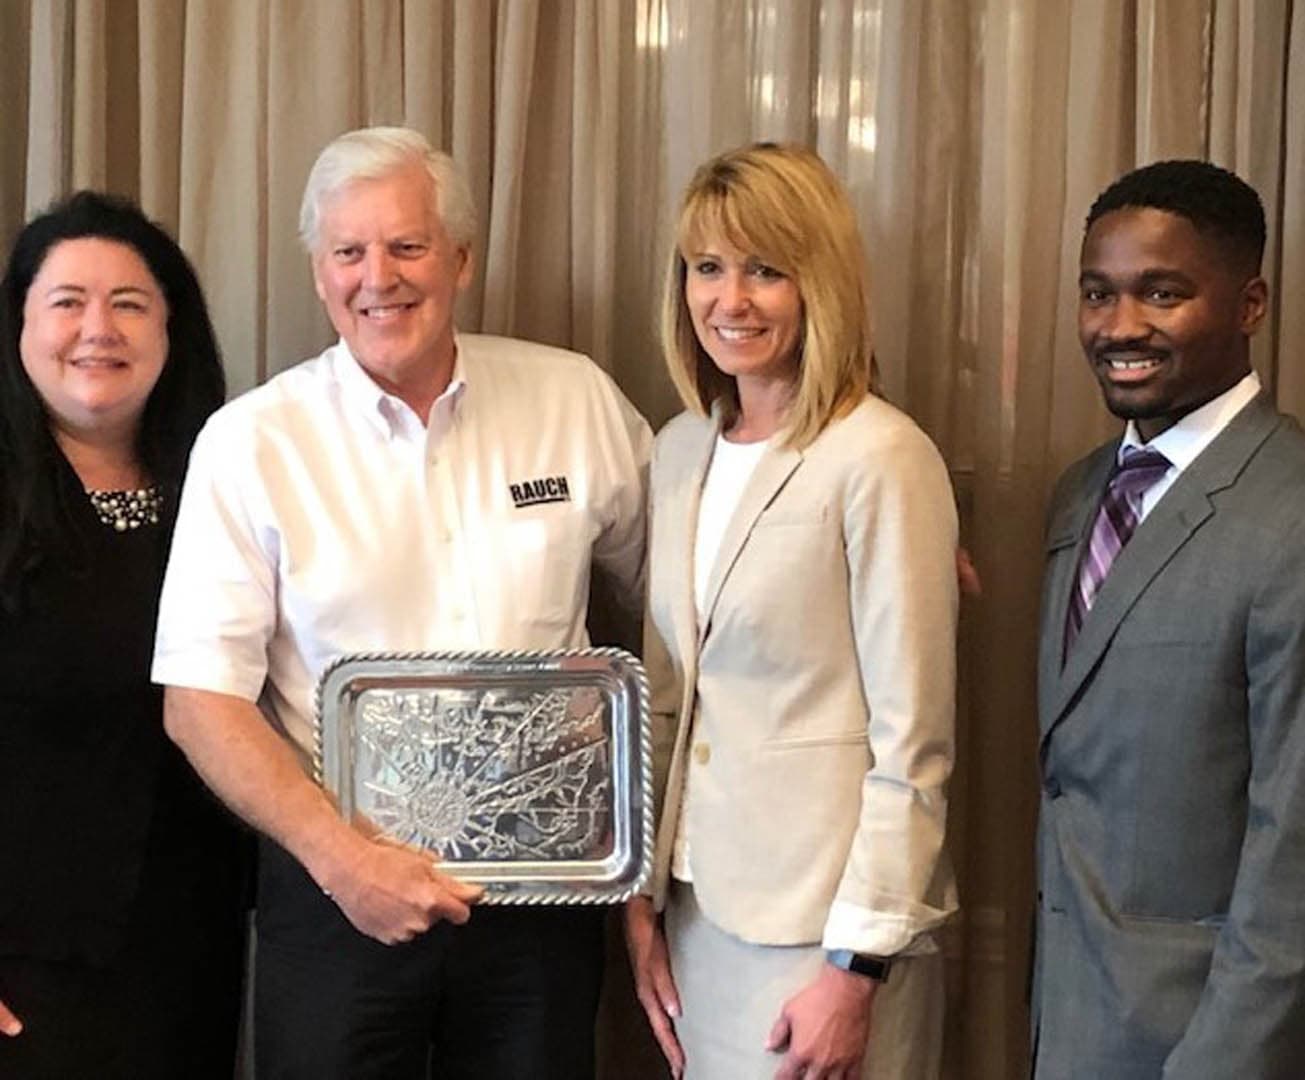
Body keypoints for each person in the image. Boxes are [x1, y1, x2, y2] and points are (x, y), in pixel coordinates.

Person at [151, 126, 651, 1079]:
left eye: (406, 246)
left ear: (460, 257)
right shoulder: (251, 442)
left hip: (542, 903)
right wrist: (342, 861)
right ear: (317, 270)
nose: (377, 276)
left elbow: (685, 588)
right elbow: (200, 701)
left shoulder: (572, 397)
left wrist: (836, 544)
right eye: (348, 252)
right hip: (333, 897)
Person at [626, 142, 959, 1079]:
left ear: (820, 284)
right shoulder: (680, 448)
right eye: (707, 268)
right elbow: (664, 701)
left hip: (825, 928)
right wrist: (640, 901)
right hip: (695, 908)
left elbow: (914, 744)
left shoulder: (882, 457)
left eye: (765, 270)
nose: (729, 300)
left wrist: (855, 968)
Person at [1032, 160, 1305, 1077]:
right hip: (1069, 1024)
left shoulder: (1292, 507)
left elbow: (1293, 849)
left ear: (1250, 302)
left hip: (1206, 1042)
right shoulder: (1079, 494)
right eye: (1096, 294)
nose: (1119, 327)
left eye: (1162, 293)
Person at [0, 191, 247, 1077]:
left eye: (129, 303)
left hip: (192, 944)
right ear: (20, 325)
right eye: (67, 302)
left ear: (171, 328)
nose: (97, 328)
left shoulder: (225, 486)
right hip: (26, 962)